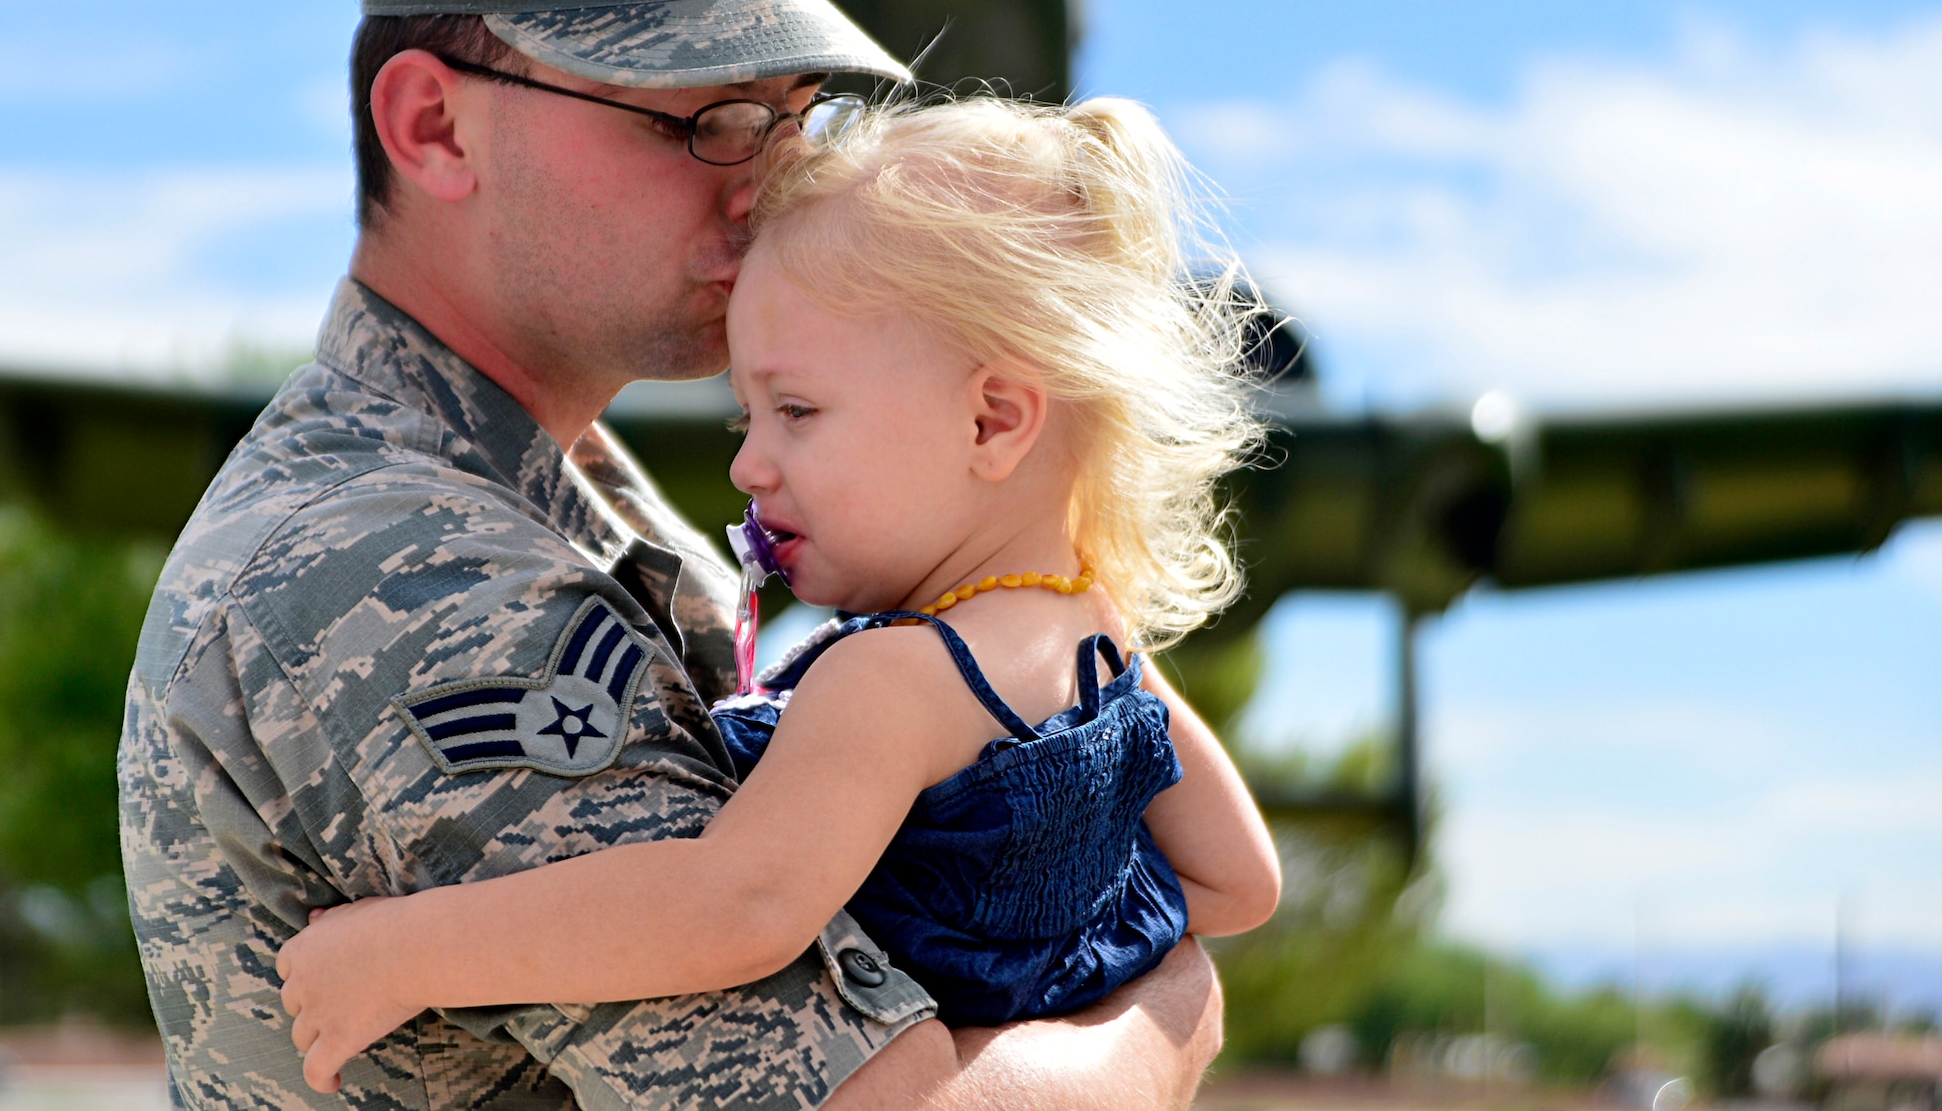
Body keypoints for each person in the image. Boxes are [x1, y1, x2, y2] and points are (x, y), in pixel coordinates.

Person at [118, 0, 1224, 1111]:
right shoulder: (403, 570)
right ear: (433, 124)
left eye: (789, 117)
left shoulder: (567, 485)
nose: (767, 190)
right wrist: (1170, 1014)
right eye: (700, 118)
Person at [274, 93, 1283, 1092]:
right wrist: (1084, 1002)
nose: (752, 466)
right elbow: (1236, 883)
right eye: (745, 419)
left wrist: (404, 954)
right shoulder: (1101, 653)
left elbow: (734, 909)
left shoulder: (895, 681)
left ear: (991, 423)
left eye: (795, 409)